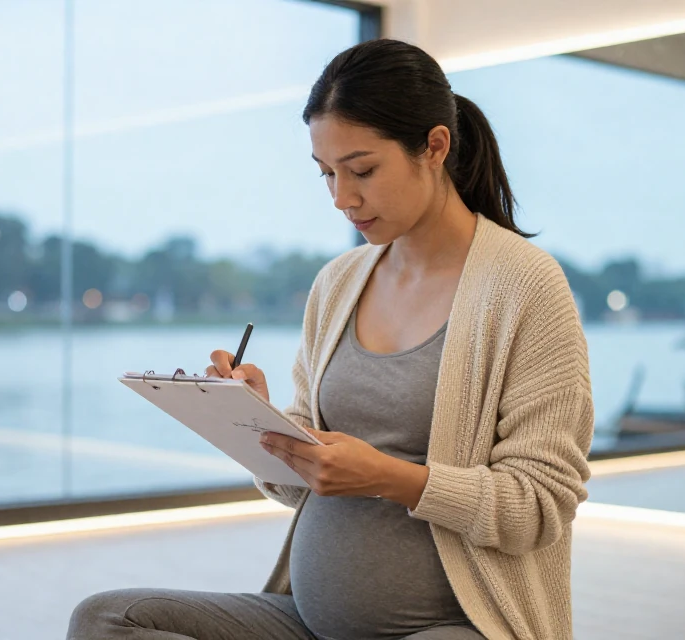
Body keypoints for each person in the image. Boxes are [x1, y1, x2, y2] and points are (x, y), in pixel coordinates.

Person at [67, 39, 594, 640]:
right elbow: (304, 487)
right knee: (108, 620)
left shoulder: (525, 285)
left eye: (363, 170)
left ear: (435, 147)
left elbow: (539, 507)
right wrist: (258, 422)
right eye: (327, 174)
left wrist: (386, 477)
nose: (343, 198)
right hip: (309, 621)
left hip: (456, 624)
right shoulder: (339, 283)